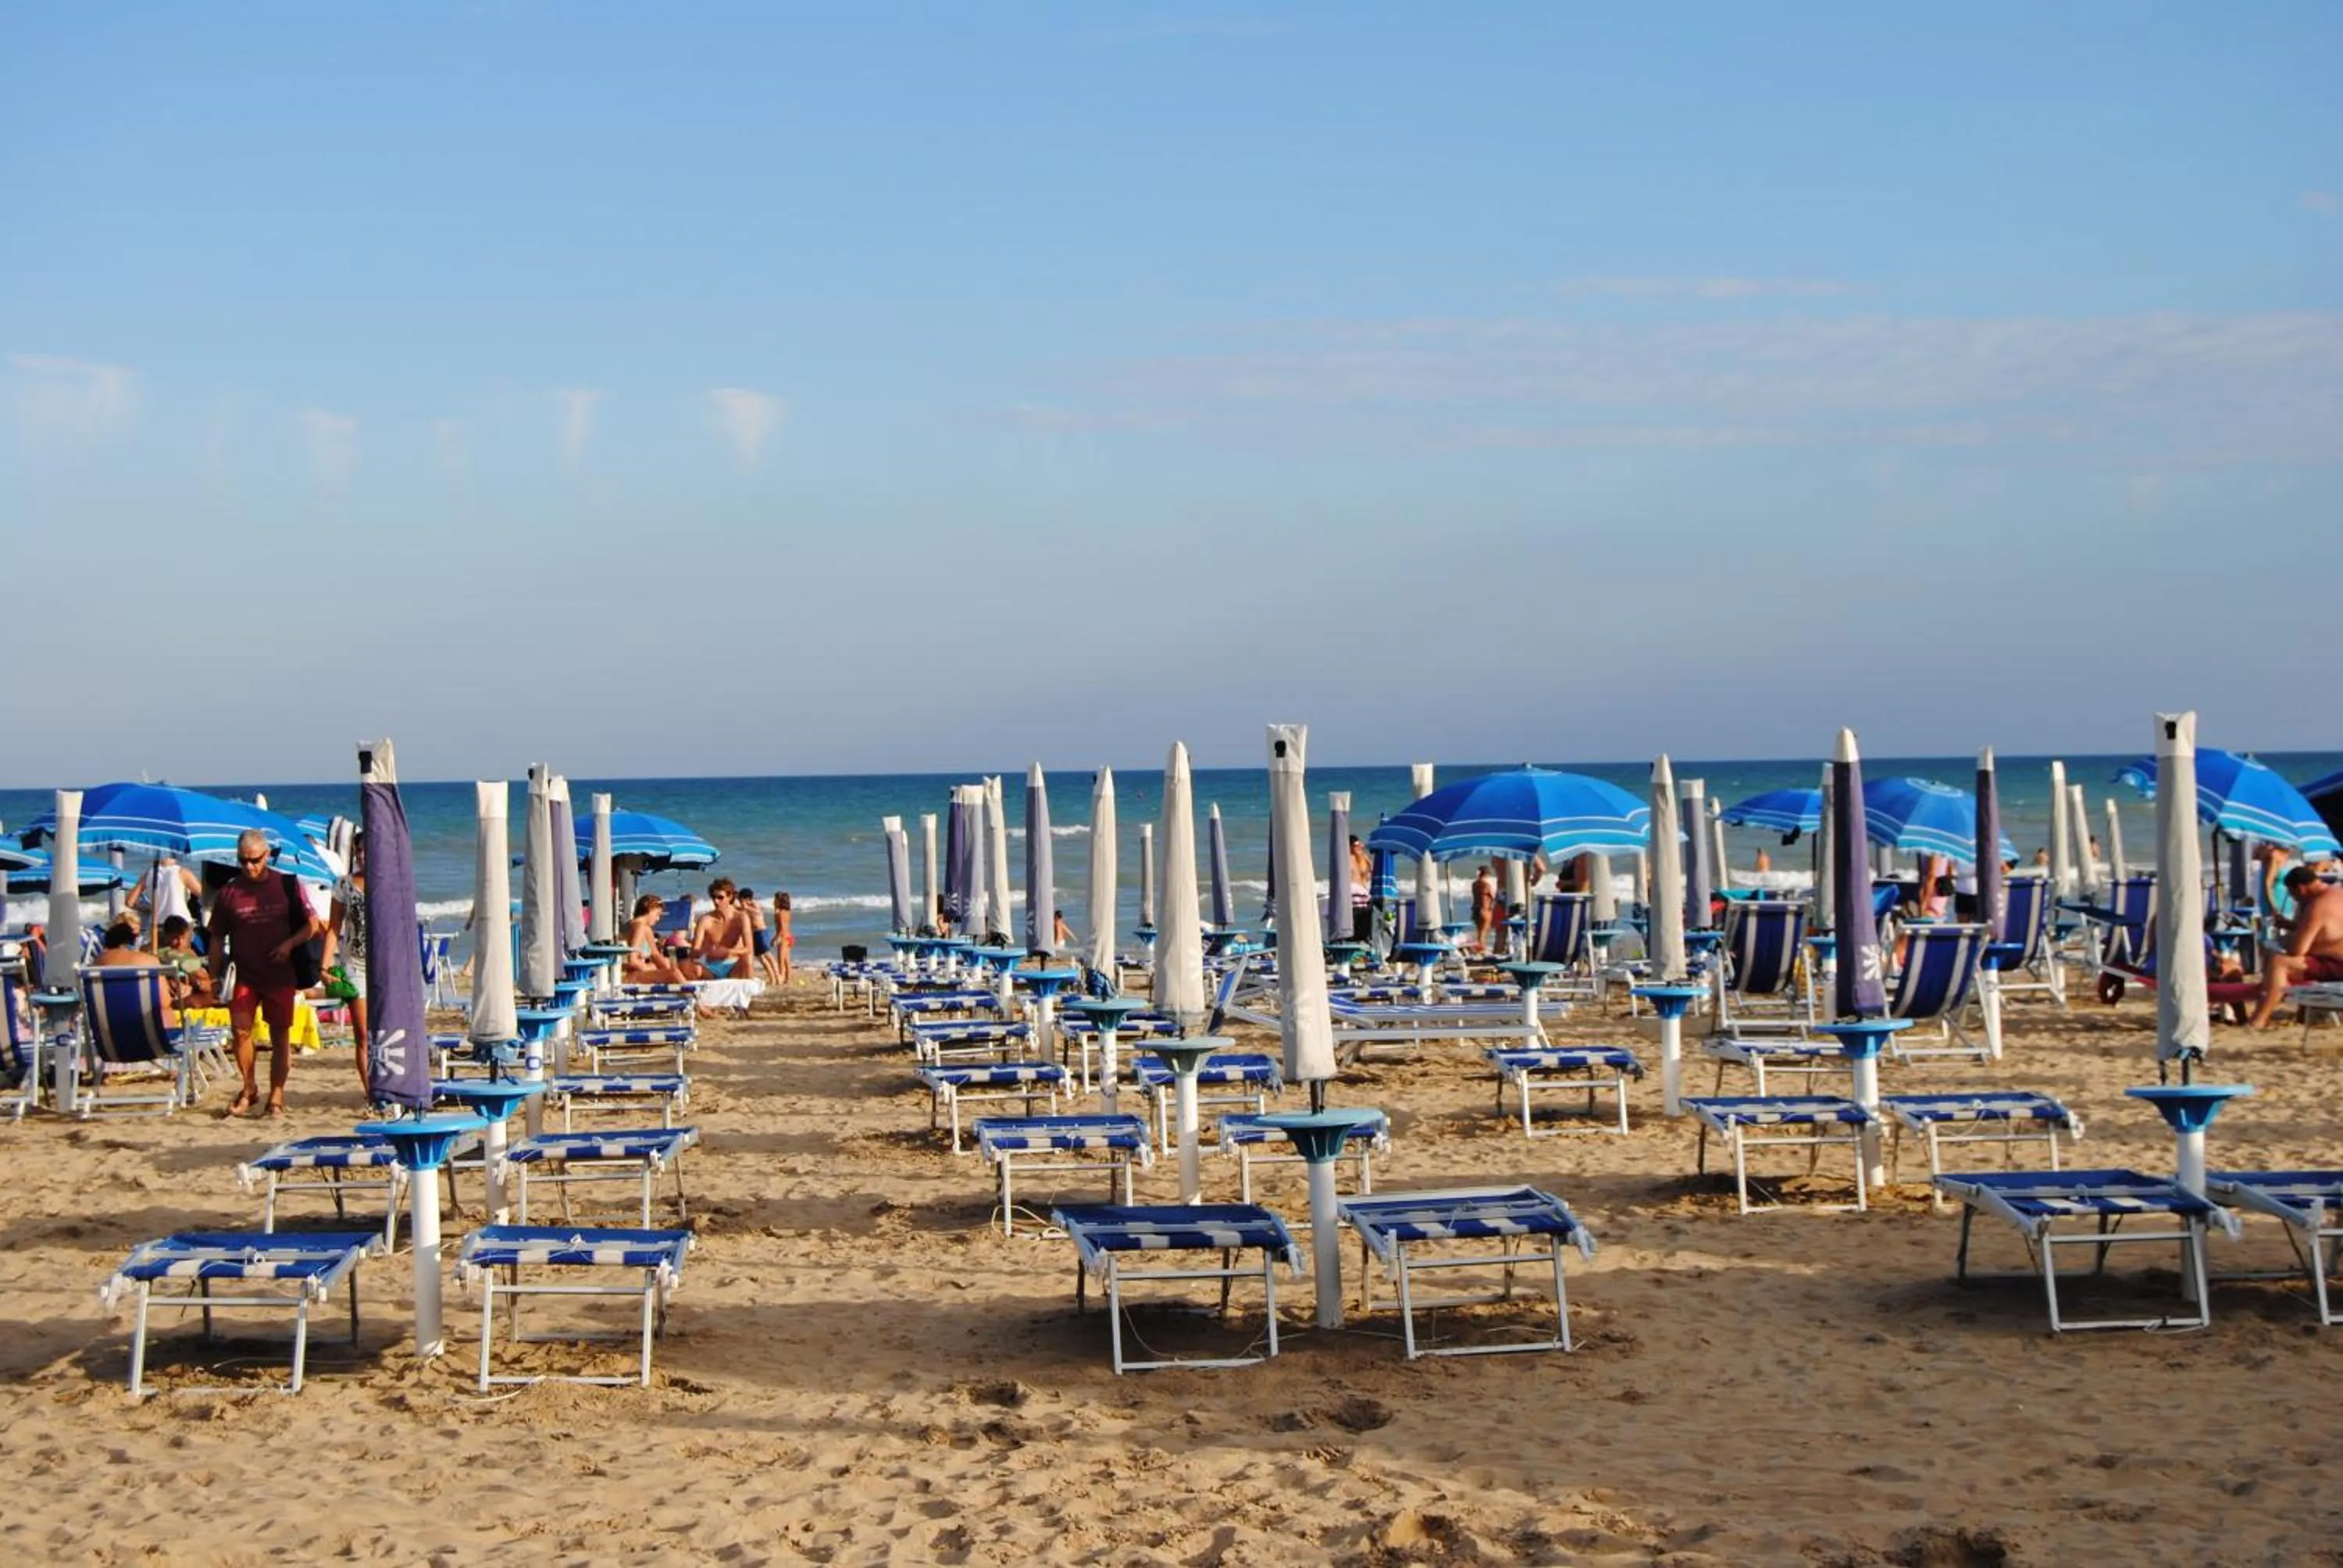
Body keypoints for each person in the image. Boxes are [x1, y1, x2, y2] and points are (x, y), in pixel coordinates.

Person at [205, 829, 323, 1118]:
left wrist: (289, 944)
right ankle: (249, 1088)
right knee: (240, 1031)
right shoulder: (229, 892)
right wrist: (213, 976)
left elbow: (313, 925)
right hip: (245, 975)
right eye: (243, 861)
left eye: (254, 860)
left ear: (267, 855)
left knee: (280, 1036)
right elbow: (217, 938)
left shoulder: (286, 885)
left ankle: (277, 1097)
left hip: (281, 976)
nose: (249, 867)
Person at [2249, 867, 2343, 1028]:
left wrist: (2288, 940)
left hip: (2337, 965)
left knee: (2279, 963)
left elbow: (2298, 950)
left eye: (2293, 895)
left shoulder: (2316, 906)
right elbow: (2328, 931)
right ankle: (2303, 1014)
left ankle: (2259, 1020)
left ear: (2301, 889)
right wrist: (2293, 926)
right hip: (2336, 959)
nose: (2295, 900)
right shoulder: (2338, 894)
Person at [323, 832, 370, 1097]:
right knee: (363, 1034)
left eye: (367, 850)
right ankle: (372, 1093)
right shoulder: (343, 885)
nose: (362, 855)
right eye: (359, 850)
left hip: (385, 967)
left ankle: (390, 1086)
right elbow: (333, 927)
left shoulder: (389, 883)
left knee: (385, 1032)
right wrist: (325, 966)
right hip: (354, 965)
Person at [127, 854, 202, 950]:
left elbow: (129, 902)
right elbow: (202, 895)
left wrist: (148, 908)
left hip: (158, 924)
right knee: (183, 957)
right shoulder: (182, 872)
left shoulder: (149, 874)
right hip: (182, 922)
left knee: (161, 958)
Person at [690, 878, 755, 979]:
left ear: (730, 897)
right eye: (713, 897)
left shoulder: (741, 917)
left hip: (734, 965)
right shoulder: (705, 920)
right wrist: (707, 951)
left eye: (720, 898)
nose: (716, 901)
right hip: (711, 967)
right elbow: (694, 951)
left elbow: (749, 949)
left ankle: (747, 992)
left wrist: (728, 952)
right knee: (691, 967)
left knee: (748, 959)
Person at [621, 895, 688, 984]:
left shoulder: (632, 926)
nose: (658, 919)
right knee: (674, 973)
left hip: (627, 973)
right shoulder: (640, 927)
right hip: (629, 976)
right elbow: (632, 960)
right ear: (650, 909)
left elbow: (655, 955)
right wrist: (649, 968)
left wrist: (667, 969)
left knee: (671, 969)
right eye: (657, 914)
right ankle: (693, 995)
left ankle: (689, 993)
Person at [740, 885, 783, 985]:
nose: (741, 902)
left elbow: (758, 912)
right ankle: (772, 978)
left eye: (741, 899)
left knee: (768, 955)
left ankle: (778, 977)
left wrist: (746, 907)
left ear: (747, 899)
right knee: (760, 957)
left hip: (761, 932)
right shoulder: (745, 907)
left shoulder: (754, 904)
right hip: (754, 933)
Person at [1348, 836, 1373, 943]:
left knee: (1362, 928)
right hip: (1355, 900)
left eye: (1361, 846)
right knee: (1357, 928)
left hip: (1363, 899)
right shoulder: (1348, 859)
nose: (1360, 848)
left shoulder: (1364, 860)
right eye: (1356, 846)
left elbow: (1370, 876)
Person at [1471, 863, 1498, 953]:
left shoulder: (1474, 884)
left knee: (1479, 932)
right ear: (1486, 874)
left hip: (1475, 909)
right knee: (1483, 933)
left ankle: (1479, 950)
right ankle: (1481, 951)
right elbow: (1494, 897)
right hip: (1484, 910)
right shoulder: (1487, 885)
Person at [772, 891, 795, 984]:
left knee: (781, 960)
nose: (773, 902)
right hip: (789, 936)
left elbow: (781, 928)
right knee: (787, 960)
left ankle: (781, 978)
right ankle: (788, 978)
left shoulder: (780, 913)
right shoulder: (788, 912)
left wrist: (775, 938)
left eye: (775, 900)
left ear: (779, 902)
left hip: (783, 938)